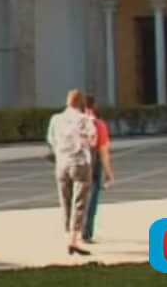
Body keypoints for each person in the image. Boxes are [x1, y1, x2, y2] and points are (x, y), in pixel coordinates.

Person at [45, 88, 96, 256]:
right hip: (80, 163)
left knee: (65, 201)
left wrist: (61, 150)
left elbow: (50, 140)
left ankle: (68, 234)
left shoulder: (56, 119)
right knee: (79, 202)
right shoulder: (84, 119)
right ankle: (74, 240)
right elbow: (93, 139)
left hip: (62, 164)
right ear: (81, 103)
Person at [81, 94, 113, 244]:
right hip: (92, 163)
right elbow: (103, 151)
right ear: (94, 106)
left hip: (73, 162)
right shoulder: (98, 124)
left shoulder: (73, 122)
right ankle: (86, 232)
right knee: (91, 198)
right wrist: (109, 174)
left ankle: (73, 232)